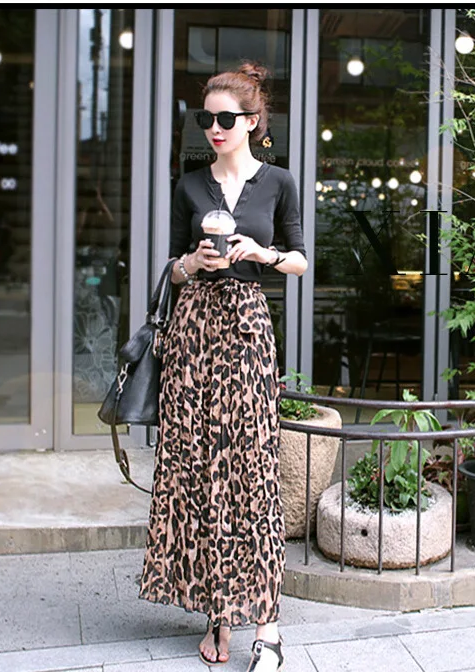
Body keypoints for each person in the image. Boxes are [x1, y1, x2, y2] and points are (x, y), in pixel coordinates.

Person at [138, 61, 307, 672]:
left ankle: (268, 625)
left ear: (252, 121)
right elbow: (170, 267)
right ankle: (218, 611)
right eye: (205, 118)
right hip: (194, 333)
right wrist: (193, 263)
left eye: (225, 119)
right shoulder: (189, 186)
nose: (214, 128)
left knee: (253, 470)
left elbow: (301, 260)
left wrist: (263, 252)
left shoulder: (278, 182)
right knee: (199, 467)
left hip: (248, 329)